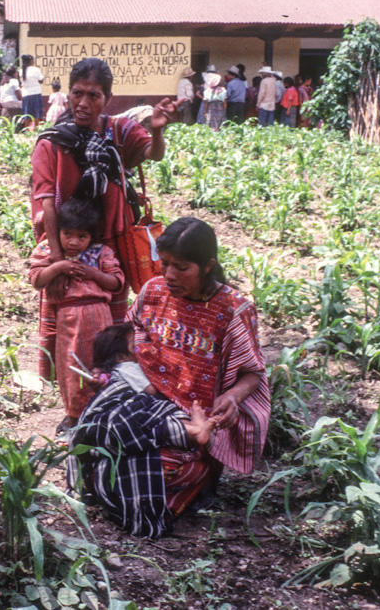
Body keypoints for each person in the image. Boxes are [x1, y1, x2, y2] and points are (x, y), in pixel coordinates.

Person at [68, 217, 270, 538]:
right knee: (92, 434)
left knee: (156, 466)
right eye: (166, 264)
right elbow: (129, 336)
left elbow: (252, 372)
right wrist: (107, 374)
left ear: (208, 266)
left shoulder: (233, 309)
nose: (170, 275)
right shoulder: (153, 291)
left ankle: (191, 471)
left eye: (182, 267)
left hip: (191, 419)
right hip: (143, 403)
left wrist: (232, 398)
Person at [29, 57, 180, 385]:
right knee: (65, 322)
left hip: (112, 243)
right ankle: (70, 398)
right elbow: (46, 206)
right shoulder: (51, 143)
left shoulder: (119, 131)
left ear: (107, 99)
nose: (83, 103)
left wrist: (156, 132)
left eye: (94, 95)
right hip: (66, 246)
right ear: (68, 94)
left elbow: (151, 154)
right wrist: (57, 261)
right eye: (77, 93)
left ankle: (108, 389)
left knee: (111, 322)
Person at [67, 321, 216, 538]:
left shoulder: (117, 373)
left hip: (121, 441)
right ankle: (189, 429)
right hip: (127, 418)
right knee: (143, 417)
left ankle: (189, 430)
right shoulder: (130, 370)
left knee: (144, 421)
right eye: (135, 343)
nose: (143, 346)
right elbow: (150, 393)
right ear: (121, 354)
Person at [29, 198, 124, 432]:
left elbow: (116, 282)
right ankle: (73, 415)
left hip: (99, 316)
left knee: (100, 364)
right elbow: (36, 279)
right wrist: (58, 268)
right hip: (68, 317)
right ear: (57, 231)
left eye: (82, 236)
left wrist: (93, 273)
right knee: (70, 367)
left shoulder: (102, 253)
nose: (73, 242)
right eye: (67, 233)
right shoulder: (48, 252)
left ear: (92, 236)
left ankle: (100, 412)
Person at [21, 54, 45, 120]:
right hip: (36, 93)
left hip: (25, 94)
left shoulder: (21, 71)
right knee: (37, 115)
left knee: (27, 115)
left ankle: (26, 129)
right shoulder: (35, 69)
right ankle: (36, 129)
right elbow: (41, 80)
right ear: (31, 61)